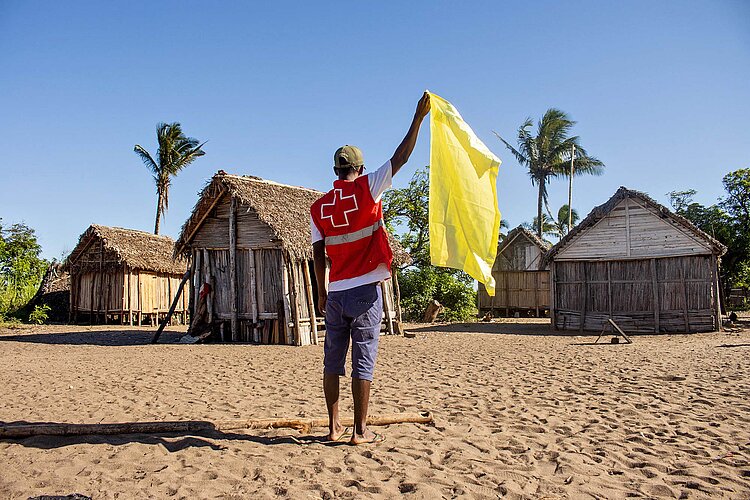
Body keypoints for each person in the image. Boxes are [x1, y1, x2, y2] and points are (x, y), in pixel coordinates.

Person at [310, 92, 430, 444]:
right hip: (365, 293)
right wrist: (418, 118)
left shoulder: (319, 208)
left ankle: (333, 428)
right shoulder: (368, 188)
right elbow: (401, 158)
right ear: (359, 169)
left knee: (332, 360)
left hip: (335, 293)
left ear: (335, 171)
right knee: (364, 359)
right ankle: (359, 431)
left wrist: (321, 291)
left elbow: (319, 255)